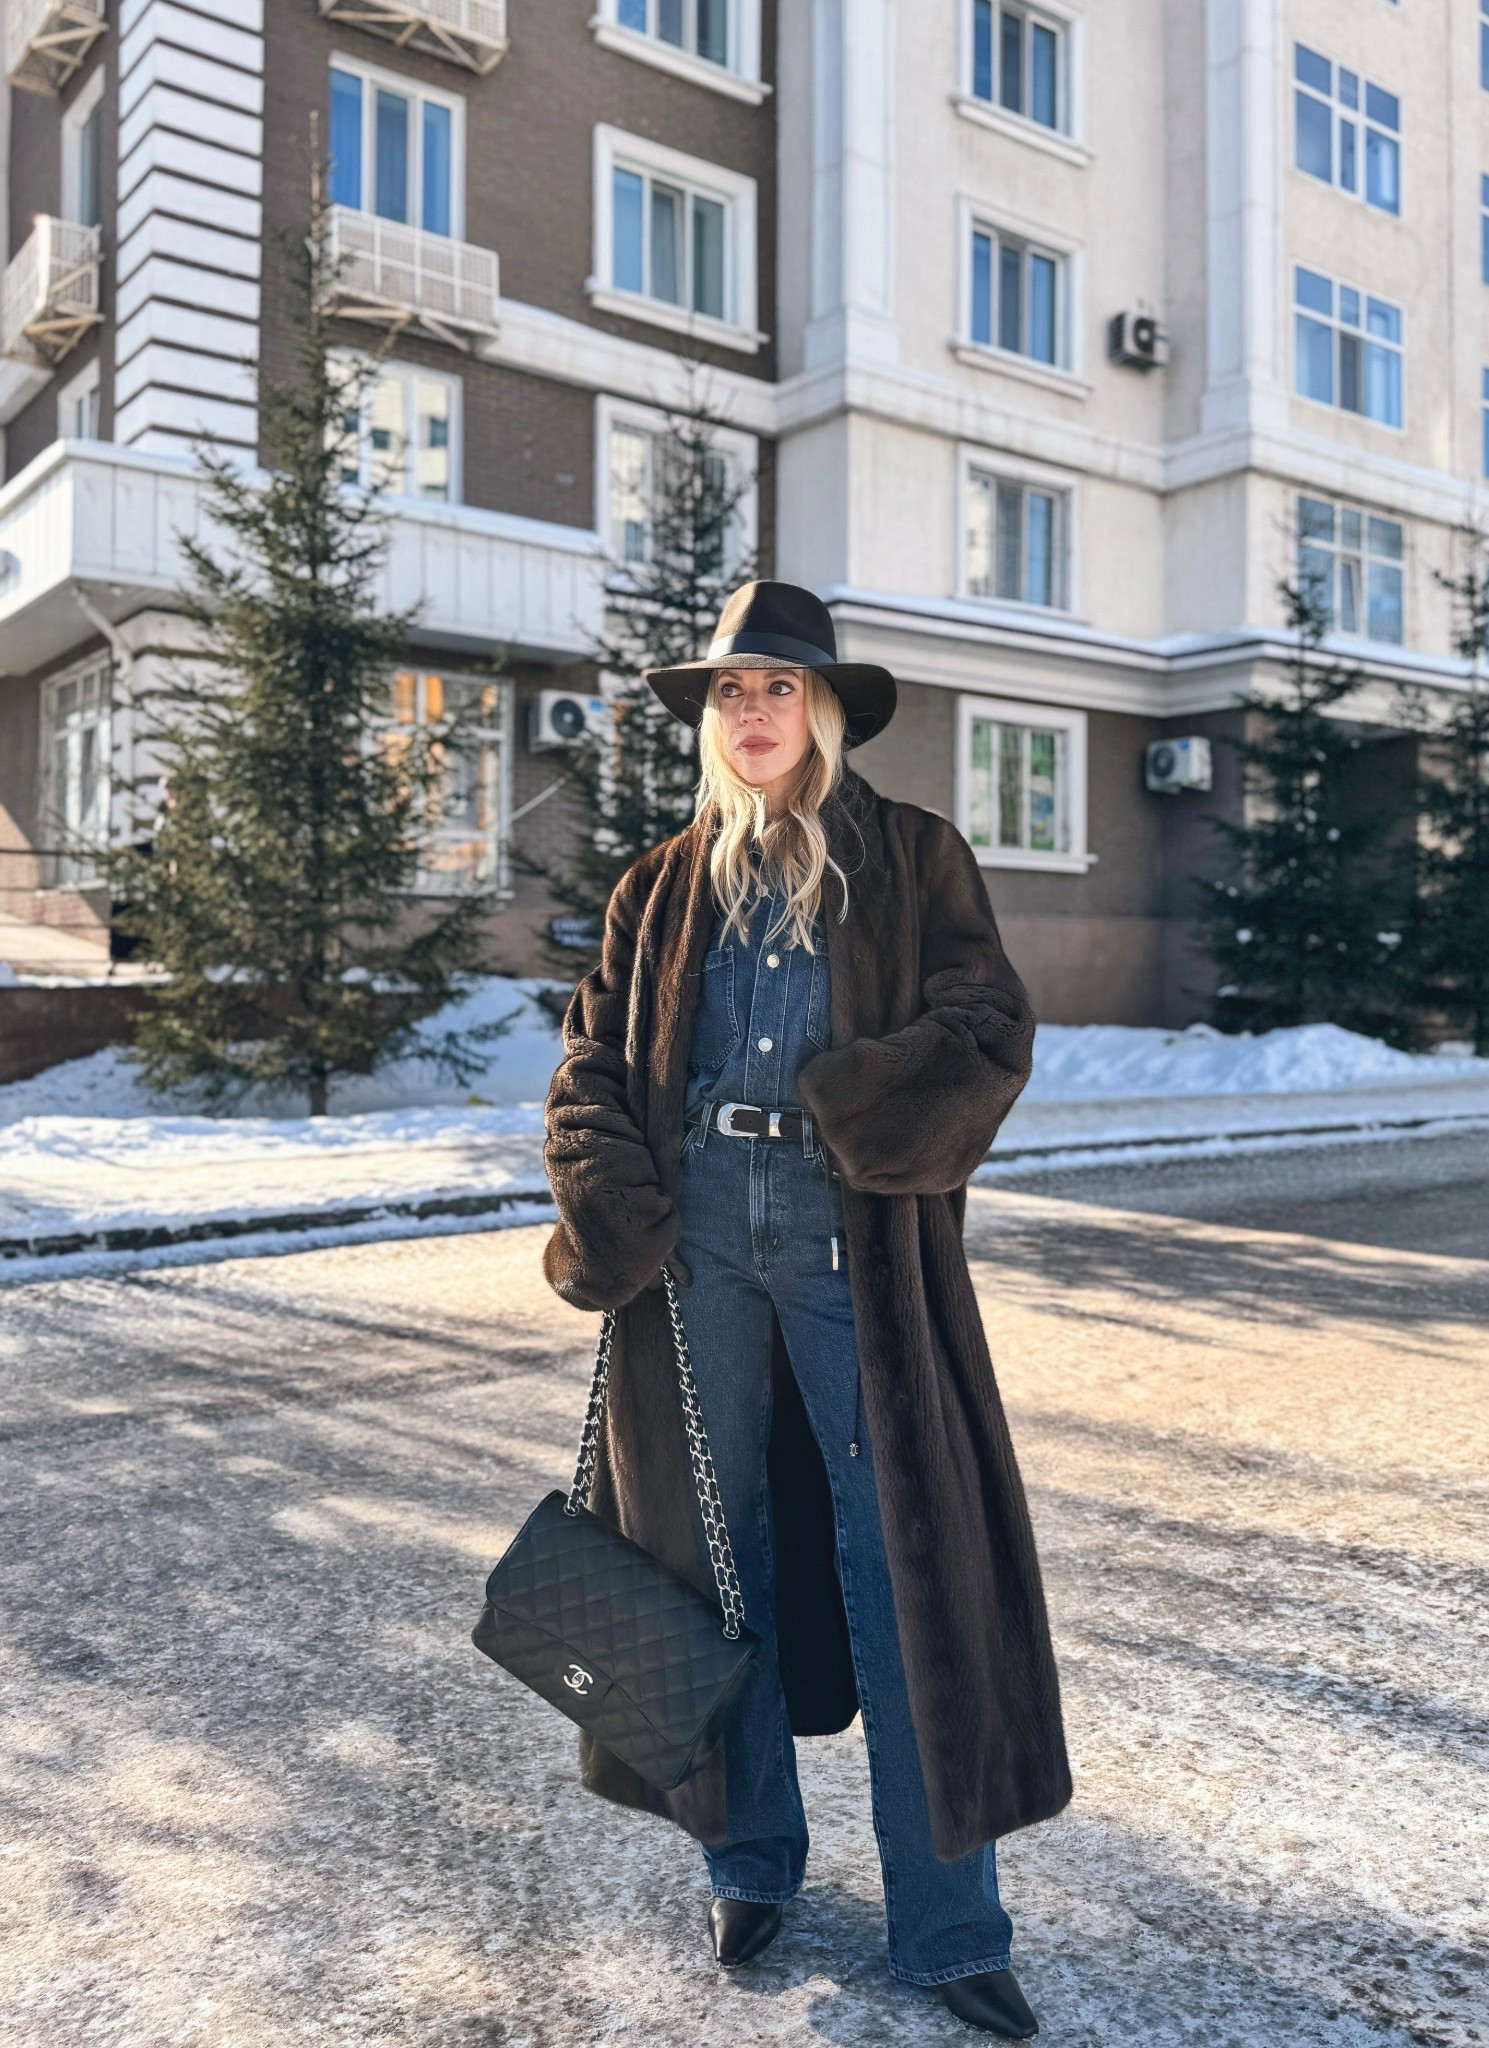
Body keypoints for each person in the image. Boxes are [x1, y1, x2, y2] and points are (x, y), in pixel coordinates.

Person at [542, 581, 1071, 2037]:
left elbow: (985, 1030)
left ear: (824, 709)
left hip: (856, 1257)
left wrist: (855, 1104)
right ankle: (750, 1859)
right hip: (693, 1255)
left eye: (776, 688)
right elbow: (588, 1064)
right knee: (717, 1562)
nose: (751, 713)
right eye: (728, 692)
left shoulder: (911, 859)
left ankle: (952, 1926)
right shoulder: (660, 884)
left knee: (905, 1575)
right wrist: (611, 1203)